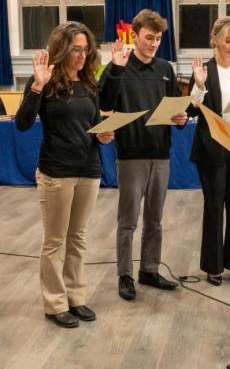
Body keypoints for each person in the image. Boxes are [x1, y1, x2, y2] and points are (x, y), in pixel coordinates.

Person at [15, 22, 114, 328]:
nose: (82, 55)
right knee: (55, 241)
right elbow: (22, 124)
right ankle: (55, 303)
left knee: (78, 239)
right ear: (62, 49)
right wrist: (36, 87)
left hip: (89, 171)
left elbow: (94, 124)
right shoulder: (44, 81)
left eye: (86, 49)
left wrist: (103, 135)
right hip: (56, 173)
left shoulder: (88, 85)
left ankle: (76, 297)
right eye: (76, 49)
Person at [99, 9, 188, 301]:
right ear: (135, 35)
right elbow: (105, 102)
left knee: (155, 218)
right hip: (131, 155)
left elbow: (177, 107)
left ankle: (149, 269)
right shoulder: (120, 66)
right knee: (128, 221)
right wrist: (114, 69)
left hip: (161, 153)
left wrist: (181, 118)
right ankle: (124, 274)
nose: (153, 43)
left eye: (158, 38)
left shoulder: (165, 68)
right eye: (149, 38)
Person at [186, 16, 230, 286]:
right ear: (215, 40)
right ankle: (213, 266)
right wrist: (199, 86)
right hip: (213, 145)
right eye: (227, 41)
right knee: (214, 206)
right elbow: (192, 110)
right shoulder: (204, 71)